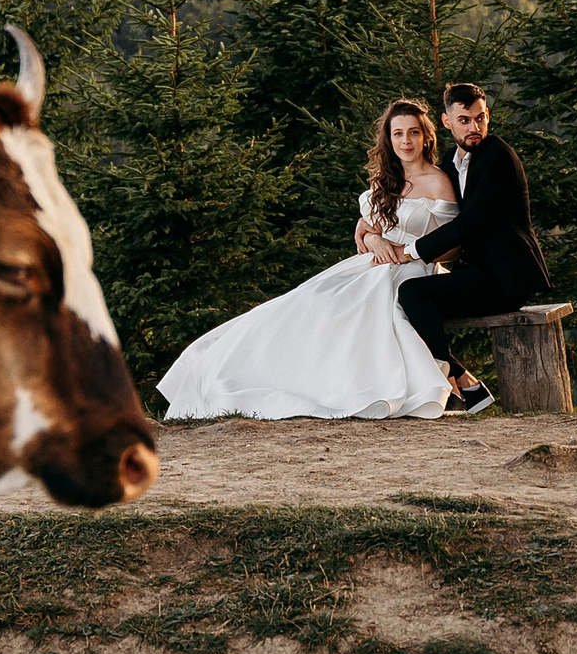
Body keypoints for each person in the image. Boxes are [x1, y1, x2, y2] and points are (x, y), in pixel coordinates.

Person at [155, 99, 476, 420]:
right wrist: (373, 238)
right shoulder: (385, 181)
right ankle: (239, 371)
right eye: (397, 134)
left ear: (426, 137)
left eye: (413, 133)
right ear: (388, 140)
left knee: (362, 302)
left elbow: (455, 247)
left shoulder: (437, 182)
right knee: (309, 301)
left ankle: (434, 383)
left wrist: (409, 250)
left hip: (414, 270)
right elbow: (369, 227)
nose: (405, 142)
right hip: (376, 265)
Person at [376, 83, 553, 416]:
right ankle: (463, 381)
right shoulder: (451, 160)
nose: (475, 128)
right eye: (465, 120)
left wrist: (409, 252)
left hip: (506, 278)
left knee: (414, 294)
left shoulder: (497, 156)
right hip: (476, 272)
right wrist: (368, 229)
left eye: (480, 118)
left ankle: (451, 386)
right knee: (399, 301)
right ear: (447, 122)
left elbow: (467, 224)